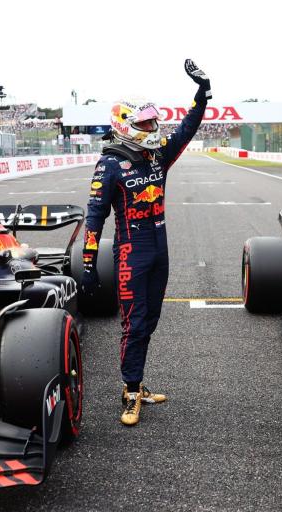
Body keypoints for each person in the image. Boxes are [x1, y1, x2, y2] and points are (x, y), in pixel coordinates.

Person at [82, 59, 211, 426]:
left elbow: (187, 129)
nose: (152, 128)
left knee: (150, 320)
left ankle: (137, 382)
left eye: (152, 122)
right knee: (134, 324)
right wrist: (89, 261)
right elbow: (94, 217)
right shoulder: (108, 165)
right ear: (125, 127)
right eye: (144, 123)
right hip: (130, 250)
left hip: (160, 245)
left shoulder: (156, 155)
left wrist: (201, 95)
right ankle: (130, 390)